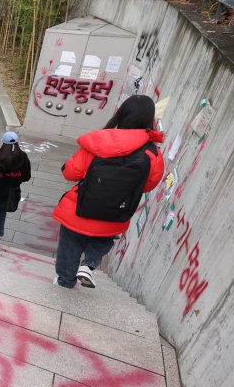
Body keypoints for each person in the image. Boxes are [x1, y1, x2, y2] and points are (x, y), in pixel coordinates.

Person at [52, 95, 165, 289]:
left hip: (79, 209)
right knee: (103, 239)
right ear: (149, 120)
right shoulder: (152, 154)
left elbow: (71, 173)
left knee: (69, 247)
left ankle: (65, 281)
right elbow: (148, 185)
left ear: (121, 114)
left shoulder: (98, 142)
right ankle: (89, 265)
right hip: (115, 215)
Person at [0, 131, 31, 246]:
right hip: (10, 193)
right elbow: (26, 176)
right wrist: (15, 180)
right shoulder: (23, 158)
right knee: (2, 212)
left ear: (3, 144)